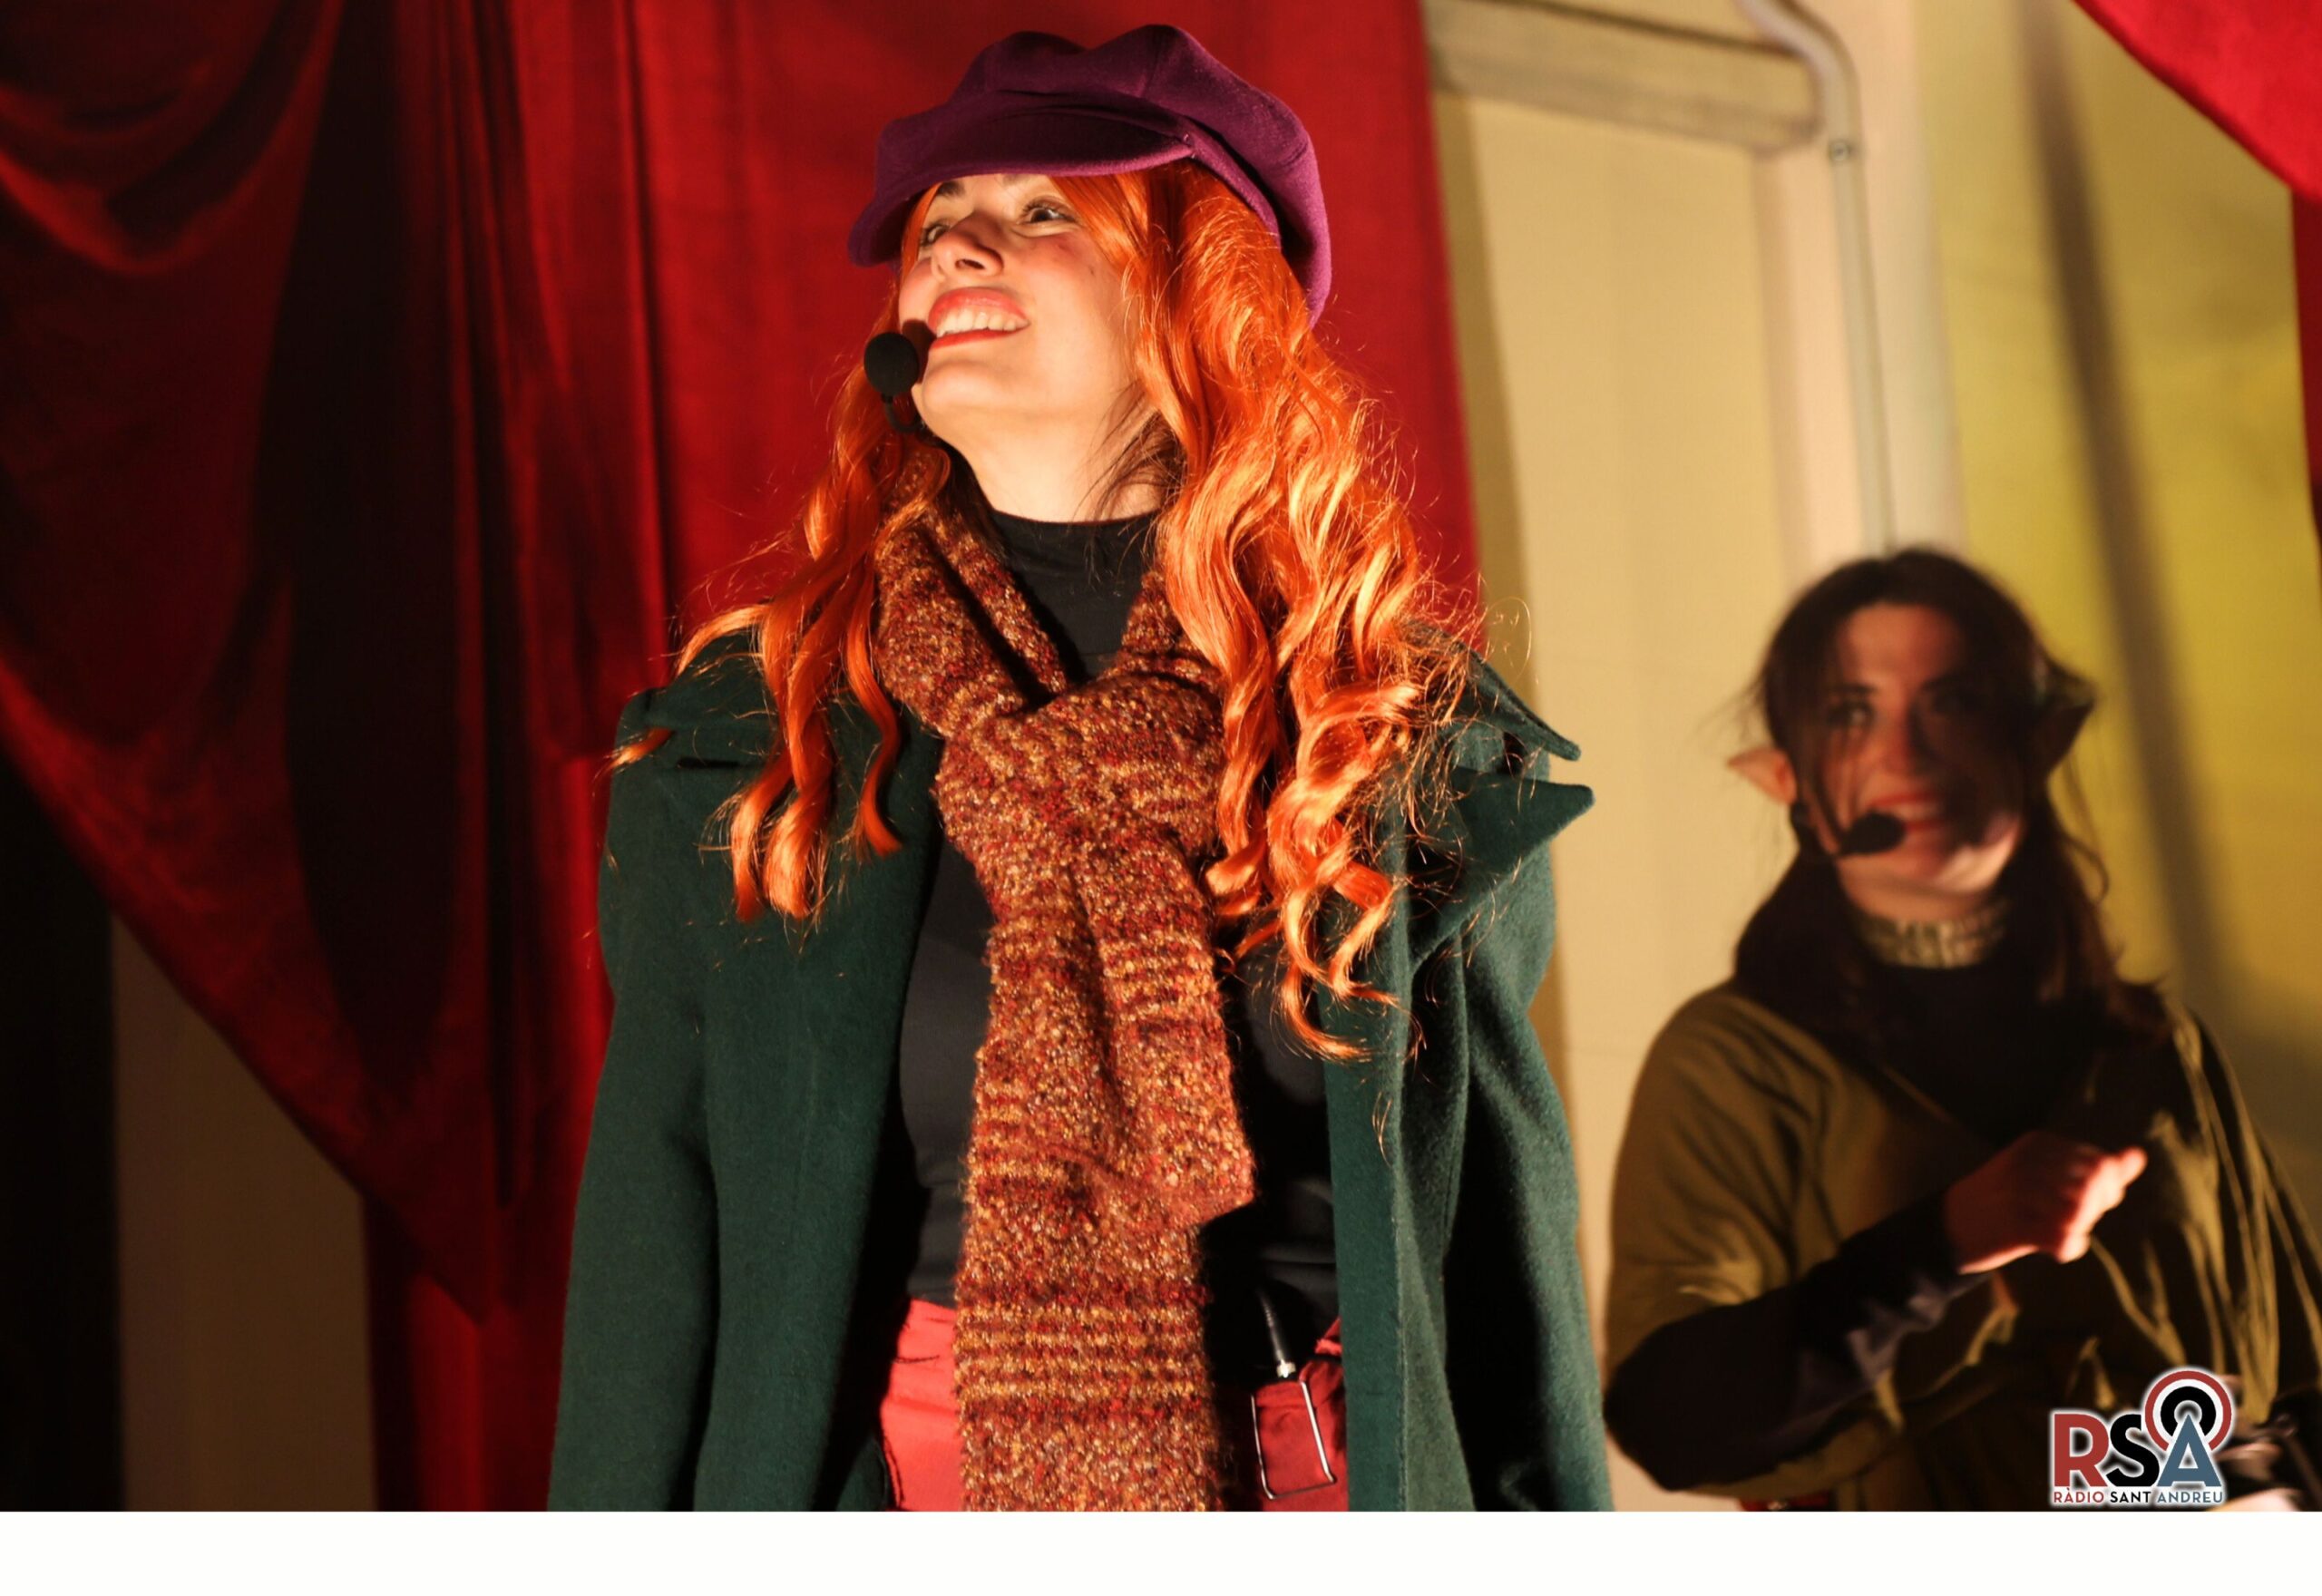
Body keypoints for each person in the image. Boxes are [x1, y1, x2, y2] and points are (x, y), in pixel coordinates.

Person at [547, 25, 1611, 1513]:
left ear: (1200, 292)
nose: (957, 244)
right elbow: (653, 1253)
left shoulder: (1392, 734)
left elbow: (1505, 1275)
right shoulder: (768, 734)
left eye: (1044, 208)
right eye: (938, 221)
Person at [1602, 548, 2322, 1510]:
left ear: (2039, 742)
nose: (1907, 754)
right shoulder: (1732, 1061)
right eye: (1850, 713)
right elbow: (1672, 1421)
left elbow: (2298, 1370)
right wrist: (1941, 1244)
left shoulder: (2152, 1045)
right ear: (1783, 779)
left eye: (1954, 703)